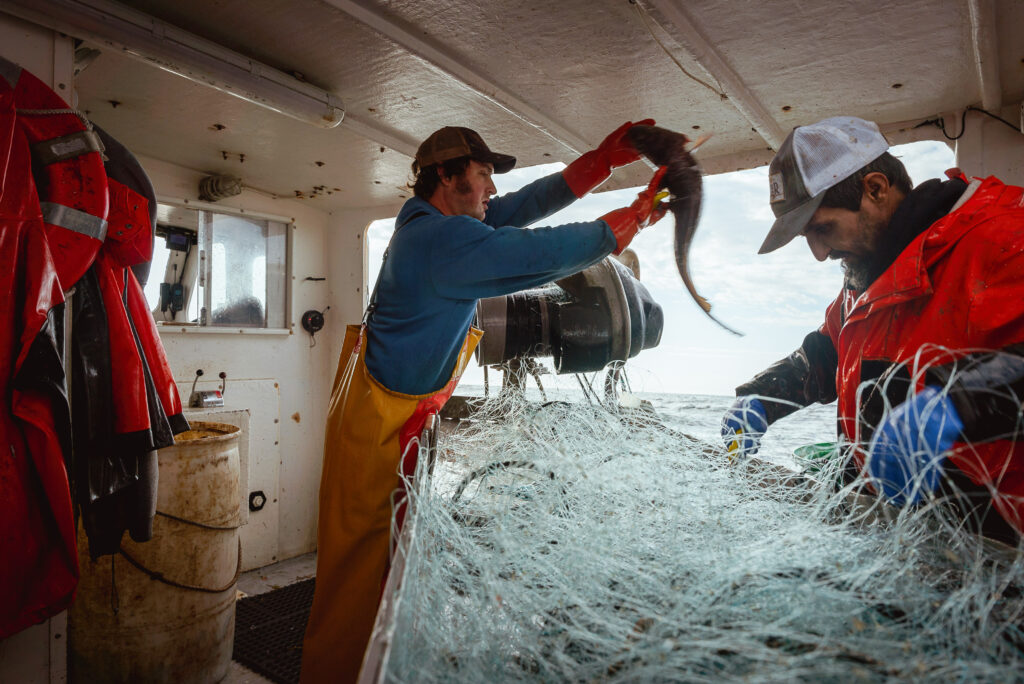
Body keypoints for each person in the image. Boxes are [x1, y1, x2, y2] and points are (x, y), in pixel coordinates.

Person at [301, 121, 669, 682]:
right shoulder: (441, 242)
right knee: (362, 587)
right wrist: (626, 223)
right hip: (376, 438)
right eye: (482, 177)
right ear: (446, 178)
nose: (492, 191)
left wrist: (601, 163)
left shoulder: (432, 222)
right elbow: (534, 253)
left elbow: (525, 205)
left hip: (386, 420)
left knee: (387, 577)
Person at [720, 116, 1024, 544]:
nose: (820, 254)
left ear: (876, 190)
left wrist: (963, 402)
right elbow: (828, 353)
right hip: (890, 538)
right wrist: (762, 397)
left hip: (995, 552)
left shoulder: (1005, 237)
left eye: (822, 229)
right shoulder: (865, 275)